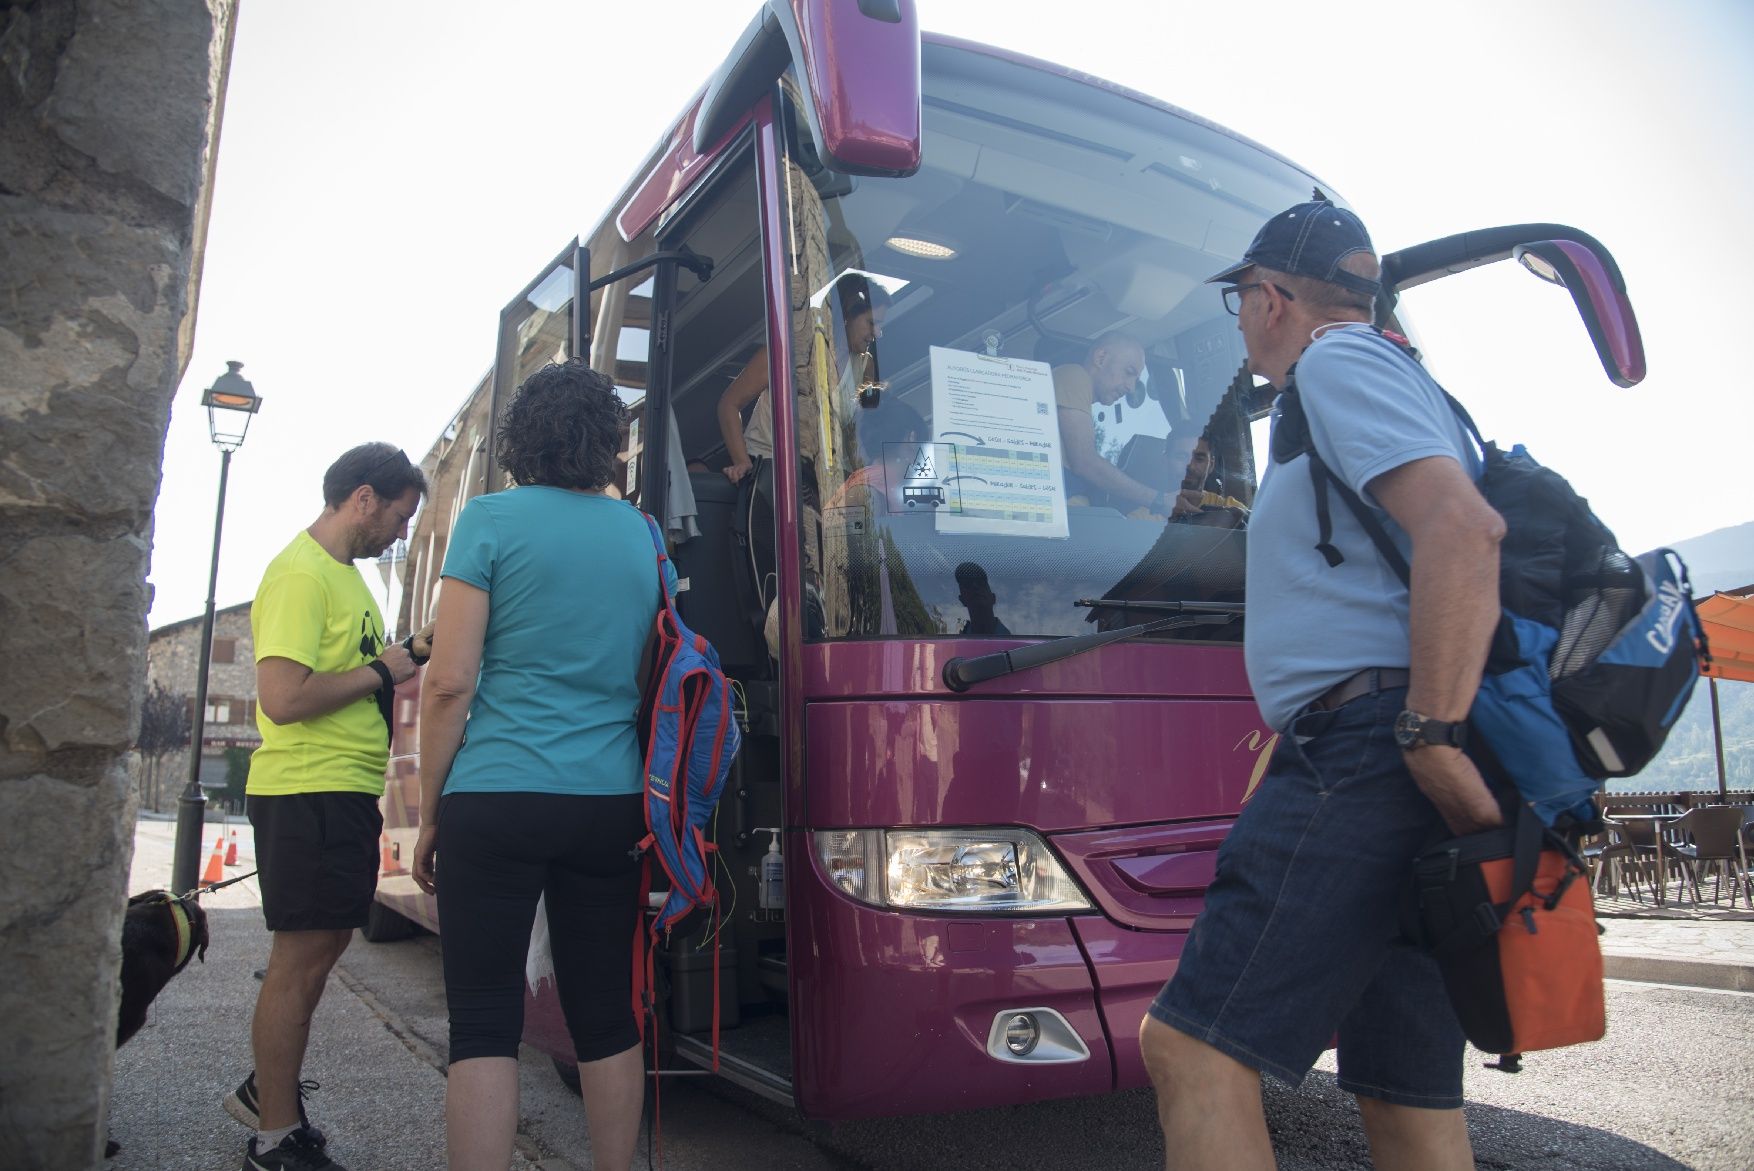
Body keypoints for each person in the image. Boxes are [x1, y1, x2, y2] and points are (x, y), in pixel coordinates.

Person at [1138, 197, 1506, 1171]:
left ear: (1268, 298)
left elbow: (1462, 532)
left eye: (1240, 305)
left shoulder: (1334, 362)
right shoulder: (1406, 381)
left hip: (1370, 750)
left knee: (1191, 1047)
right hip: (1380, 754)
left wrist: (1426, 733)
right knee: (1402, 1099)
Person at [411, 359, 669, 1171]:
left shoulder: (486, 522)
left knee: (484, 1018)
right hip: (607, 798)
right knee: (605, 1012)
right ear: (609, 443)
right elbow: (643, 672)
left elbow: (448, 682)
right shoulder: (641, 532)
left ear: (523, 439)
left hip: (497, 792)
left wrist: (429, 812)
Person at [229, 443, 428, 1171]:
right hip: (305, 789)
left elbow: (352, 676)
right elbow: (281, 699)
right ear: (365, 497)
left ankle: (269, 1093)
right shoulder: (300, 574)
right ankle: (273, 1137)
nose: (402, 533)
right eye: (401, 517)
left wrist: (402, 655)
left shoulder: (347, 580)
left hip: (338, 789)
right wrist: (384, 667)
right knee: (299, 960)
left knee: (323, 951)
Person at [716, 272, 891, 485]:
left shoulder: (865, 365)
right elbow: (729, 404)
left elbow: (855, 433)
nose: (878, 333)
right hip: (771, 474)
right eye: (873, 322)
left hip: (821, 480)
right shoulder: (788, 349)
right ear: (846, 313)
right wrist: (743, 463)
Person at [1052, 332, 1169, 514]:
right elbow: (1085, 462)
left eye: (1136, 380)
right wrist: (1159, 500)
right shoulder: (1074, 375)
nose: (1131, 387)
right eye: (1129, 373)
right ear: (1100, 358)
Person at [954, 562, 1012, 637]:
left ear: (993, 598)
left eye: (981, 582)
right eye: (967, 584)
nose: (975, 586)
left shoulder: (1015, 641)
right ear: (962, 600)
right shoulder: (956, 643)